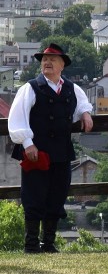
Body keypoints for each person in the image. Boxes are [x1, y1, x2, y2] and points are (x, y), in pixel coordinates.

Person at [8, 43, 93, 253]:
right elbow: (17, 118)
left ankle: (48, 243)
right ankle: (31, 244)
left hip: (61, 152)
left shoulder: (72, 88)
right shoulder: (30, 88)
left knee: (57, 196)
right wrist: (27, 143)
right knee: (34, 197)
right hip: (36, 152)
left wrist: (85, 113)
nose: (47, 62)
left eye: (52, 59)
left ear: (62, 65)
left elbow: (83, 103)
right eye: (44, 60)